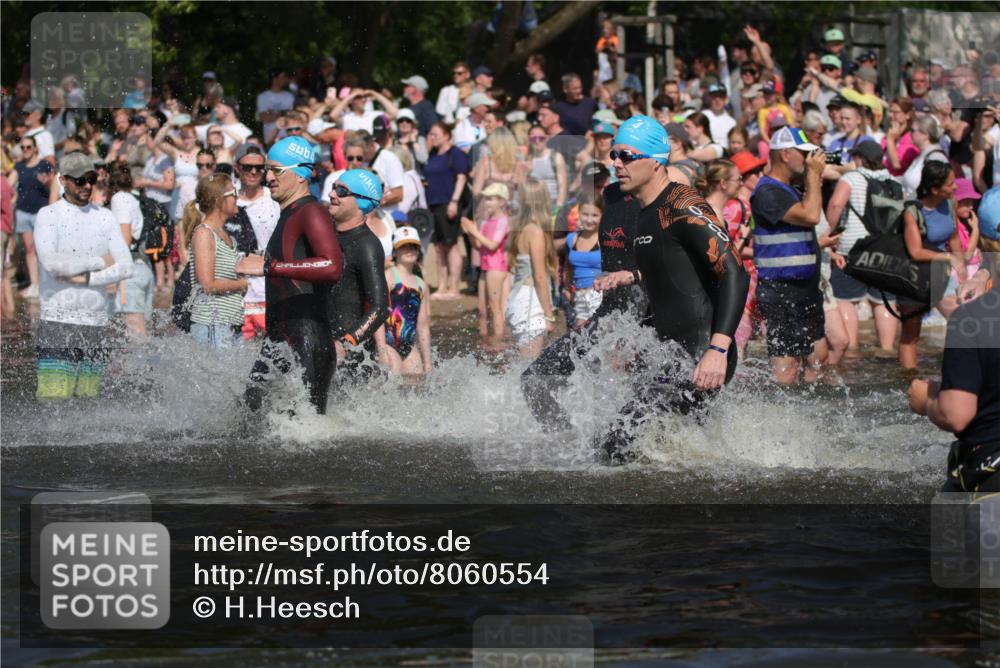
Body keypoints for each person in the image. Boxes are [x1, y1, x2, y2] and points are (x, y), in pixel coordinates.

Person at [589, 115, 749, 463]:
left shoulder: (682, 205)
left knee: (614, 446)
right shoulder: (646, 212)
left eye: (626, 156)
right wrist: (631, 278)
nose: (616, 163)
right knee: (674, 453)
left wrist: (717, 350)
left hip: (703, 354)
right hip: (671, 356)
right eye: (614, 155)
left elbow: (735, 273)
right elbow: (675, 272)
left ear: (656, 160)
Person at [239, 137, 344, 415]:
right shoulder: (290, 214)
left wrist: (268, 267)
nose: (268, 177)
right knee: (249, 418)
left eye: (276, 170)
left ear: (300, 174)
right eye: (267, 171)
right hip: (279, 343)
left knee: (307, 443)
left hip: (309, 344)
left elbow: (332, 266)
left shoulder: (311, 212)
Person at [33, 153, 133, 400]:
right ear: (63, 180)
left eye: (91, 179)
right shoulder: (48, 215)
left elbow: (126, 266)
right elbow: (51, 263)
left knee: (89, 402)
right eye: (80, 180)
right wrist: (99, 262)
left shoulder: (105, 217)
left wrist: (88, 279)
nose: (88, 185)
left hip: (96, 323)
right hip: (58, 321)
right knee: (53, 398)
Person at [908, 254, 999, 492]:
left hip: (989, 474)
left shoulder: (972, 317)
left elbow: (956, 415)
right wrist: (983, 275)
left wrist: (926, 401)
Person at [750, 126, 827, 385]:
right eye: (803, 154)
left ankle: (813, 416)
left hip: (805, 288)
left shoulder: (788, 188)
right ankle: (781, 416)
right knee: (787, 368)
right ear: (785, 154)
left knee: (818, 359)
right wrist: (813, 176)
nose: (807, 160)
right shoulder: (767, 191)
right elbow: (811, 215)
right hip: (781, 290)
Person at [825, 139, 901, 354]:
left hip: (853, 248)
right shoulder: (894, 181)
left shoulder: (852, 178)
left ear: (860, 158)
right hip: (885, 249)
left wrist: (827, 234)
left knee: (845, 299)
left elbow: (836, 204)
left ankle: (851, 351)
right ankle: (886, 350)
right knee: (882, 301)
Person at [897, 162, 966, 369]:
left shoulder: (950, 203)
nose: (955, 187)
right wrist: (948, 258)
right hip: (914, 276)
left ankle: (956, 372)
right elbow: (916, 252)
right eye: (951, 184)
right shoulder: (912, 211)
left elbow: (954, 239)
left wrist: (961, 270)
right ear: (935, 189)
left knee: (962, 322)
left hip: (942, 275)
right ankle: (908, 384)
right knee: (911, 334)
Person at [324, 169, 391, 375]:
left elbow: (380, 307)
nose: (332, 194)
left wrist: (346, 342)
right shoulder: (326, 234)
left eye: (342, 191)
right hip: (323, 344)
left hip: (352, 359)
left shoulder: (367, 245)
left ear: (362, 202)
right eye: (334, 187)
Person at [181, 173, 245, 349]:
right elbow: (208, 285)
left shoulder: (226, 235)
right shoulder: (204, 234)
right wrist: (243, 284)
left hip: (229, 324)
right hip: (213, 326)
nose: (237, 197)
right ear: (219, 200)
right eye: (233, 193)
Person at [504, 178, 557, 359]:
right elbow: (540, 277)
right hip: (530, 302)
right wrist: (549, 315)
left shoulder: (521, 228)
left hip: (519, 298)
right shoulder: (535, 231)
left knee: (527, 366)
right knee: (531, 369)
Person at [233, 143, 280, 340]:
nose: (253, 172)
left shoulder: (275, 199)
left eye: (259, 168)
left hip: (269, 287)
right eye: (247, 167)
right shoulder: (228, 199)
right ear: (237, 168)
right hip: (235, 288)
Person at [375, 225, 433, 376]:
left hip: (409, 346)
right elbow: (378, 316)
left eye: (413, 246)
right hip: (388, 343)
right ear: (395, 251)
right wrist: (381, 350)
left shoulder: (421, 284)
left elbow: (423, 325)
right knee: (394, 378)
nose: (409, 250)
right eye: (404, 246)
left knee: (417, 380)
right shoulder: (388, 277)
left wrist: (428, 361)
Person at [107, 161, 155, 338]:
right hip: (143, 267)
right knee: (140, 332)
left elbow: (125, 239)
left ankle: (142, 366)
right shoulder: (132, 197)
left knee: (135, 334)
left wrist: (111, 274)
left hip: (131, 273)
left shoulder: (118, 198)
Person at [461, 182, 510, 347]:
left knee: (495, 307)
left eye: (491, 199)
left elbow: (492, 245)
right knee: (482, 309)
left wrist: (474, 231)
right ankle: (483, 339)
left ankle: (499, 340)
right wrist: (469, 233)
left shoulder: (503, 221)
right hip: (485, 266)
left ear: (502, 202)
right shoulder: (486, 221)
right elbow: (479, 246)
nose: (486, 202)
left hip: (497, 267)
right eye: (486, 199)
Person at [424, 123, 469, 299]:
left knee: (451, 246)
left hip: (448, 203)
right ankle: (442, 286)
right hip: (433, 204)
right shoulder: (434, 154)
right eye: (431, 135)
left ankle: (454, 287)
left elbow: (461, 177)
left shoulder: (455, 153)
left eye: (435, 134)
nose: (432, 137)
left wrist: (454, 201)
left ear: (446, 135)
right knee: (439, 247)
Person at [9, 135, 54, 301]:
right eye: (23, 147)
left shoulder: (44, 164)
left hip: (41, 213)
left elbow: (56, 184)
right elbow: (8, 184)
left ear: (35, 148)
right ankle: (34, 284)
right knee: (29, 249)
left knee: (42, 249)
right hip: (23, 211)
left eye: (28, 147)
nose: (25, 150)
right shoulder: (19, 166)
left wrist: (48, 181)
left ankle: (46, 284)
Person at [563, 191, 602, 328]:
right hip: (579, 296)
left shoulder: (605, 239)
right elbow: (568, 267)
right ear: (579, 213)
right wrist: (567, 289)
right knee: (581, 343)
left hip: (600, 295)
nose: (589, 219)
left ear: (602, 215)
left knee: (600, 342)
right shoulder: (571, 239)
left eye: (595, 215)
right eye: (585, 214)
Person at [898, 114, 948, 199]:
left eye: (913, 130)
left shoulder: (936, 158)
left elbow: (934, 191)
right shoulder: (922, 155)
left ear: (925, 134)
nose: (909, 134)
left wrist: (909, 197)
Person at [527, 124, 566, 208]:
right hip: (534, 205)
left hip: (552, 203)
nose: (537, 141)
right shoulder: (527, 160)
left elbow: (562, 185)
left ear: (547, 138)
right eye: (533, 138)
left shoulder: (556, 157)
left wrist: (559, 206)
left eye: (541, 138)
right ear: (529, 139)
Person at [257, 68, 295, 145]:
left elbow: (291, 116)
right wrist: (283, 113)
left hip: (287, 138)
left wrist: (272, 112)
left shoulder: (289, 96)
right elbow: (264, 117)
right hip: (270, 140)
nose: (285, 79)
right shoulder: (263, 96)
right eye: (282, 77)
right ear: (274, 79)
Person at [437, 61, 471, 125]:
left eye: (459, 73)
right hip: (449, 127)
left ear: (467, 74)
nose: (456, 75)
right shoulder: (445, 91)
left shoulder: (473, 91)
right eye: (454, 73)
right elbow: (440, 113)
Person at [704, 83, 737, 148]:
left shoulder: (732, 122)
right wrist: (678, 118)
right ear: (710, 98)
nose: (717, 100)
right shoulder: (702, 115)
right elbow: (683, 117)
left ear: (726, 99)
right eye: (714, 96)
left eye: (721, 97)